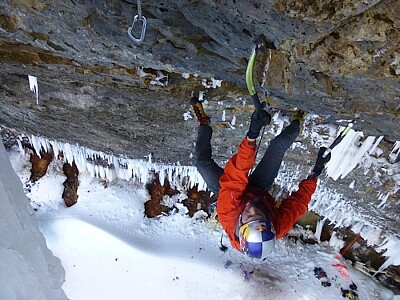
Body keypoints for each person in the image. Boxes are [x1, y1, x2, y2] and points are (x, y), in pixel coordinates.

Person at [190, 96, 331, 260]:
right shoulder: (277, 227)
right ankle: (297, 120)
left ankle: (204, 124)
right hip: (258, 190)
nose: (252, 209)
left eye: (249, 217)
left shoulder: (227, 213)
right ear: (269, 225)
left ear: (241, 226)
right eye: (259, 215)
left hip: (228, 193)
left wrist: (252, 135)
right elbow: (299, 202)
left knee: (201, 162)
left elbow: (236, 175)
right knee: (278, 145)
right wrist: (316, 171)